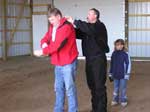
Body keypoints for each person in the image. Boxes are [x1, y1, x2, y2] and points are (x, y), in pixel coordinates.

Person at [67, 8, 109, 112]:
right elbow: (78, 33)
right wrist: (68, 26)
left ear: (95, 16)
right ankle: (95, 108)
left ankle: (102, 110)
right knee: (92, 85)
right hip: (89, 60)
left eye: (90, 14)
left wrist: (75, 21)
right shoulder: (87, 29)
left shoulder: (99, 26)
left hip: (98, 59)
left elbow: (89, 29)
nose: (87, 16)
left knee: (99, 86)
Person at [40, 8, 79, 112]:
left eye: (52, 20)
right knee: (58, 88)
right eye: (49, 21)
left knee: (69, 89)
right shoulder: (53, 27)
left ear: (58, 17)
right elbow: (44, 39)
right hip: (58, 63)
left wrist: (43, 51)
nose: (51, 22)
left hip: (68, 62)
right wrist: (44, 45)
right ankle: (58, 109)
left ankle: (73, 110)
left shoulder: (66, 27)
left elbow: (57, 45)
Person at [109, 39, 131, 107]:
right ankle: (115, 100)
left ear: (123, 45)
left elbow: (128, 64)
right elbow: (111, 64)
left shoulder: (125, 54)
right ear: (115, 46)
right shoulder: (113, 54)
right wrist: (110, 73)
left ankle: (123, 100)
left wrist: (127, 73)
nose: (119, 46)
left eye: (121, 44)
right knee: (116, 88)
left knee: (123, 88)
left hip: (123, 75)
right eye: (117, 45)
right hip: (115, 75)